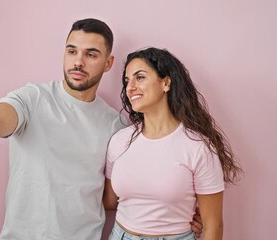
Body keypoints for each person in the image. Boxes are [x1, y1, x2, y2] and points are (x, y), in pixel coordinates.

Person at [0, 18, 202, 240]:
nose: (78, 61)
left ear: (108, 64)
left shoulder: (116, 127)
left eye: (91, 54)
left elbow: (121, 193)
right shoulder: (33, 99)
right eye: (72, 51)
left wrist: (177, 214)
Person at [103, 47, 242, 240]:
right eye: (127, 81)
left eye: (140, 77)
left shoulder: (198, 147)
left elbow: (213, 227)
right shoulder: (120, 140)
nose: (130, 87)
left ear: (166, 82)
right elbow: (109, 202)